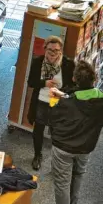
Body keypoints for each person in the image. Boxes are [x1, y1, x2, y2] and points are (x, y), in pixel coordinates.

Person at [49, 60, 103, 204]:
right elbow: (83, 101)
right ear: (95, 79)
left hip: (63, 148)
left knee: (62, 184)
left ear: (74, 79)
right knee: (78, 175)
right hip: (86, 148)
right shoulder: (100, 101)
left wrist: (55, 100)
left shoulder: (67, 102)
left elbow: (53, 119)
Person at [27, 35, 75, 171]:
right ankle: (37, 155)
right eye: (50, 50)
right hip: (41, 101)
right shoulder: (37, 62)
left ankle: (57, 161)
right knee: (38, 130)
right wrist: (44, 83)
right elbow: (30, 82)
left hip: (58, 103)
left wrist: (60, 91)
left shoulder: (68, 64)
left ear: (61, 51)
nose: (53, 53)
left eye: (56, 50)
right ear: (44, 49)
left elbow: (73, 85)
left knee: (57, 132)